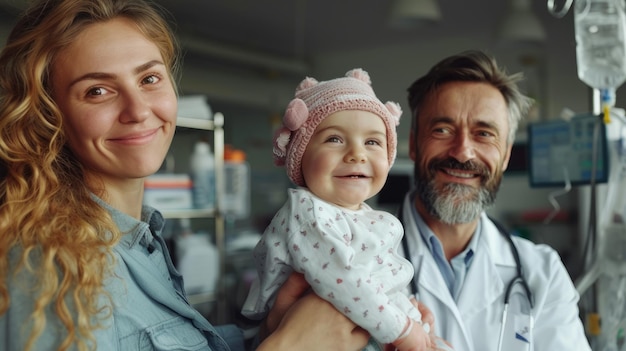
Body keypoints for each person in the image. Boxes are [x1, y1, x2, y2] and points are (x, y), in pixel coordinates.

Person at [0, 1, 371, 350]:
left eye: (148, 79)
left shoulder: (138, 243)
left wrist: (271, 330)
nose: (138, 110)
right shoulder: (44, 270)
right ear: (48, 116)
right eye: (97, 91)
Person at [241, 68, 452, 351]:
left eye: (373, 142)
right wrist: (403, 329)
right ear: (300, 156)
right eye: (334, 139)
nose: (357, 153)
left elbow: (371, 281)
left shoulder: (363, 217)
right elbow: (346, 282)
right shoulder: (306, 212)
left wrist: (406, 308)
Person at [398, 50, 591, 351]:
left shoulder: (542, 272)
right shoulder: (358, 258)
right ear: (413, 144)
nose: (462, 152)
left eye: (484, 134)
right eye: (443, 130)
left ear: (506, 155)